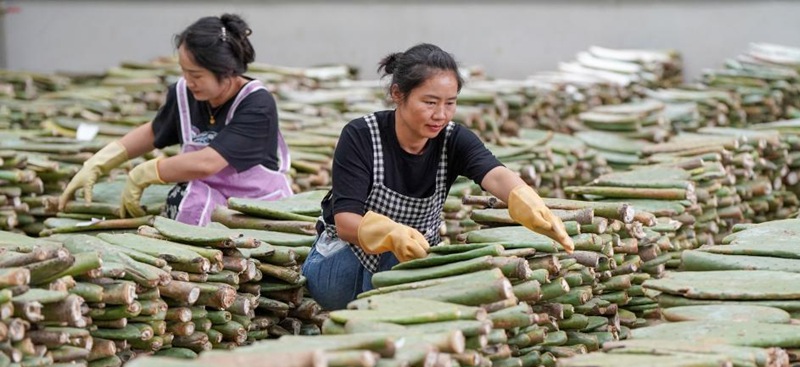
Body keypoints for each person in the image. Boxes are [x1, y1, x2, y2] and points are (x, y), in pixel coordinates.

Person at [302, 43, 573, 311]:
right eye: (430, 102)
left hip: (410, 262)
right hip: (344, 265)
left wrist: (524, 198)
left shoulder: (453, 139)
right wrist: (391, 233)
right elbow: (346, 222)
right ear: (397, 94)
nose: (440, 115)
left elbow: (497, 175)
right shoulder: (361, 136)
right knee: (389, 265)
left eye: (450, 103)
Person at [58, 14, 292, 226]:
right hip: (208, 199)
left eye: (196, 75)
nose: (188, 81)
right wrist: (99, 162)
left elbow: (207, 163)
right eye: (184, 71)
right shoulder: (185, 93)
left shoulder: (257, 105)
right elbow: (154, 131)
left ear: (227, 71)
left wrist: (144, 173)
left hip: (256, 209)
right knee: (182, 197)